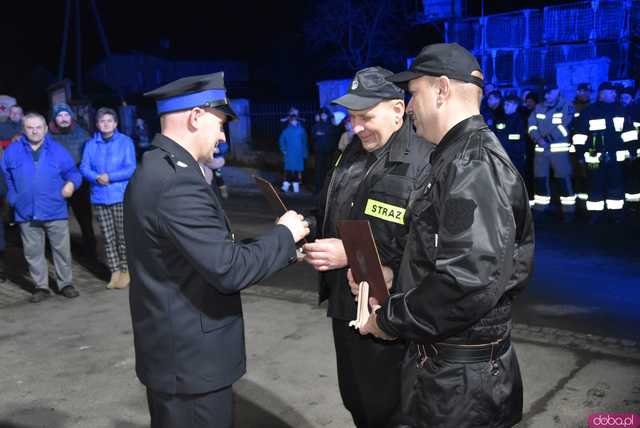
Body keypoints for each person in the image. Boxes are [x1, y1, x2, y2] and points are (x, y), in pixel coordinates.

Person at [348, 43, 534, 428]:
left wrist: (389, 319)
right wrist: (396, 278)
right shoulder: (456, 156)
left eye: (413, 93)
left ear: (443, 90)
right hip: (448, 373)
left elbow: (466, 281)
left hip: (461, 385)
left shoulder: (472, 164)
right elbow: (446, 254)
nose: (410, 106)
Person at [124, 72, 309, 428]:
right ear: (196, 117)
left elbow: (207, 253)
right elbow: (228, 268)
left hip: (176, 355)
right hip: (191, 364)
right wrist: (284, 235)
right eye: (221, 123)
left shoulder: (157, 168)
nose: (223, 135)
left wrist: (283, 250)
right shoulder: (177, 184)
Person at [302, 66, 433, 428]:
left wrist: (352, 253)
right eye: (352, 117)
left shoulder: (424, 161)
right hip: (345, 305)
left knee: (392, 409)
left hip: (389, 311)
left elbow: (429, 245)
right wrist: (305, 229)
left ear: (397, 109)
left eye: (365, 116)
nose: (356, 127)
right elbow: (330, 208)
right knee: (357, 399)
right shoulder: (351, 153)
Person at [2, 112, 83, 303]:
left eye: (39, 127)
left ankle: (66, 284)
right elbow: (6, 179)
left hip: (54, 209)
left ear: (45, 129)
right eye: (30, 127)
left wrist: (71, 184)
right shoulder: (12, 152)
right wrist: (14, 198)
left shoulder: (58, 150)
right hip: (26, 211)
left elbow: (73, 172)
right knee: (33, 252)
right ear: (24, 129)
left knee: (61, 250)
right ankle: (41, 286)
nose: (35, 131)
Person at [80, 107, 136, 289]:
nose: (106, 124)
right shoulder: (90, 144)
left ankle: (127, 270)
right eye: (102, 121)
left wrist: (110, 176)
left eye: (109, 121)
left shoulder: (125, 142)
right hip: (99, 196)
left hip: (119, 195)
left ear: (116, 123)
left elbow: (130, 168)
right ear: (97, 124)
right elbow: (84, 167)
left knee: (123, 236)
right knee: (108, 236)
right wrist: (96, 177)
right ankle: (115, 271)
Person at [572, 82, 638, 223]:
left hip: (615, 156)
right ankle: (595, 214)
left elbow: (629, 133)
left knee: (616, 184)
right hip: (594, 156)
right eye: (611, 92)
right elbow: (579, 136)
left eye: (615, 92)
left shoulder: (621, 110)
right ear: (602, 94)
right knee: (595, 184)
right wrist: (579, 155)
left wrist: (633, 150)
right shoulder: (589, 111)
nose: (615, 94)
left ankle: (615, 214)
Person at [49, 103, 97, 257]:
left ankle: (90, 252)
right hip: (56, 184)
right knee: (56, 220)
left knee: (84, 218)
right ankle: (58, 251)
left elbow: (90, 157)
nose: (63, 119)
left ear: (71, 116)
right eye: (59, 115)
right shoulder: (47, 136)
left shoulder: (82, 134)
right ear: (54, 118)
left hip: (79, 184)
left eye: (66, 115)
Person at [528, 84, 576, 221]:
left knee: (563, 179)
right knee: (540, 179)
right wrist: (538, 139)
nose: (546, 96)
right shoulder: (539, 107)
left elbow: (565, 126)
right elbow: (531, 125)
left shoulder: (567, 106)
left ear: (557, 91)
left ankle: (568, 211)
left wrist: (546, 140)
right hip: (541, 150)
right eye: (545, 93)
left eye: (549, 93)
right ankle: (540, 207)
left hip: (558, 150)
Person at [493, 95, 528, 179]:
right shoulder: (502, 118)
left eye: (508, 105)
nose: (505, 107)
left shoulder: (520, 119)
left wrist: (504, 137)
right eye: (505, 104)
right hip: (504, 153)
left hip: (516, 153)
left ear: (515, 105)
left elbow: (519, 135)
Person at [278, 111, 308, 193]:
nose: (294, 121)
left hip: (298, 154)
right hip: (289, 154)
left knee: (296, 171)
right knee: (288, 170)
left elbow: (305, 142)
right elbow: (281, 140)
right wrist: (283, 149)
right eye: (292, 120)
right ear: (290, 121)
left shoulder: (301, 130)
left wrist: (305, 153)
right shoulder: (286, 130)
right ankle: (286, 186)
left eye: (295, 120)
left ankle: (295, 187)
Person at [311, 107, 338, 194]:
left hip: (329, 151)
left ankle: (326, 190)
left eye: (325, 114)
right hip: (319, 151)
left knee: (328, 171)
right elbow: (314, 135)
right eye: (322, 114)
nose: (323, 116)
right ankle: (317, 189)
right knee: (318, 170)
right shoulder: (317, 125)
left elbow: (335, 137)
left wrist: (322, 134)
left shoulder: (332, 125)